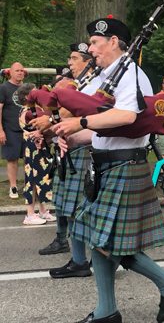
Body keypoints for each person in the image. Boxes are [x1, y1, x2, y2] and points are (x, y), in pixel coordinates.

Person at [54, 17, 164, 323]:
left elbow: (126, 117)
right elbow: (103, 129)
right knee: (100, 239)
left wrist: (81, 122)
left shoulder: (132, 74)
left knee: (105, 241)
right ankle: (113, 308)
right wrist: (70, 136)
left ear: (113, 41)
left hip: (124, 165)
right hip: (105, 166)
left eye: (96, 43)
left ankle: (160, 286)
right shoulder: (107, 77)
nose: (91, 49)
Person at [33, 44, 95, 280]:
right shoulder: (78, 85)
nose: (69, 63)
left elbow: (69, 113)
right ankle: (79, 261)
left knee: (81, 210)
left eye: (74, 58)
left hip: (88, 152)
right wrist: (48, 133)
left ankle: (105, 259)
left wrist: (48, 123)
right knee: (71, 209)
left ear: (88, 62)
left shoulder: (93, 86)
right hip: (72, 151)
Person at [14, 83, 56, 225]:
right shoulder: (29, 111)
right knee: (32, 179)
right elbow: (48, 117)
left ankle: (42, 210)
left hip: (37, 146)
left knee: (41, 178)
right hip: (32, 147)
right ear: (27, 96)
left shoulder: (28, 109)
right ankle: (30, 213)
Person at [0, 62, 25, 199]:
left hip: (27, 130)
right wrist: (1, 131)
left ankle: (29, 186)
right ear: (10, 72)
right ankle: (13, 187)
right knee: (12, 159)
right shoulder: (4, 88)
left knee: (29, 159)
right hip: (10, 129)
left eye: (21, 70)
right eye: (17, 70)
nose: (20, 73)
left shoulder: (27, 88)